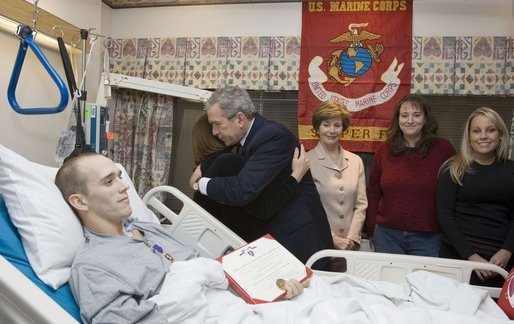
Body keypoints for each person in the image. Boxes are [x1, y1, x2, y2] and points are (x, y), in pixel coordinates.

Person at [55, 152, 307, 323]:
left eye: (119, 177)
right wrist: (190, 279)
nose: (124, 186)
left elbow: (207, 268)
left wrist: (270, 286)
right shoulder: (93, 266)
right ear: (80, 201)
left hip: (244, 307)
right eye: (108, 181)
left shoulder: (147, 228)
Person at [190, 86, 334, 267]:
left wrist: (199, 183)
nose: (214, 132)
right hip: (280, 233)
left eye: (217, 124)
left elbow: (243, 190)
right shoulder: (247, 142)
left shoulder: (271, 136)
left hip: (300, 238)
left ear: (240, 119)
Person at [192, 114, 310, 242]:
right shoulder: (230, 161)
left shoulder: (205, 164)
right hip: (234, 244)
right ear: (215, 134)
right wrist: (295, 177)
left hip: (210, 239)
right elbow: (265, 208)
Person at [366, 94, 455, 256]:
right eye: (404, 115)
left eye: (416, 115)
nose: (410, 120)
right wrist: (371, 229)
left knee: (424, 281)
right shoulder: (384, 150)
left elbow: (453, 193)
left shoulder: (444, 149)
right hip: (387, 236)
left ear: (426, 119)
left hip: (429, 237)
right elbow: (373, 193)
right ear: (398, 119)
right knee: (389, 281)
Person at [437, 107, 514, 286]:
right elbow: (445, 217)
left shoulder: (511, 170)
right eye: (477, 131)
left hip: (501, 263)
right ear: (469, 137)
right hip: (458, 258)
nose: (483, 136)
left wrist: (507, 251)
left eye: (490, 130)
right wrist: (471, 256)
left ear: (500, 134)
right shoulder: (453, 170)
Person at [306, 100, 367, 251]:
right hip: (318, 242)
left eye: (337, 125)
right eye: (326, 125)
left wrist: (351, 238)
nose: (331, 130)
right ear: (317, 127)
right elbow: (306, 208)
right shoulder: (306, 161)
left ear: (343, 128)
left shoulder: (356, 161)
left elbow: (361, 205)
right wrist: (332, 238)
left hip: (350, 246)